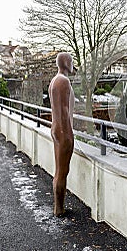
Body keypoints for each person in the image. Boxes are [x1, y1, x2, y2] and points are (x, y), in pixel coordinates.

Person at [48, 52, 75, 216]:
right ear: (65, 62)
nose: (72, 64)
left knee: (60, 170)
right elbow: (64, 113)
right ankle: (59, 208)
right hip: (63, 130)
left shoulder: (55, 80)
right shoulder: (63, 81)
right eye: (71, 61)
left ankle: (59, 206)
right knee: (62, 171)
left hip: (57, 129)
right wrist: (69, 134)